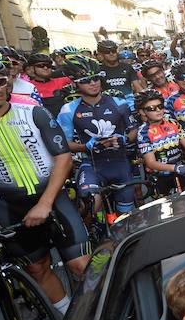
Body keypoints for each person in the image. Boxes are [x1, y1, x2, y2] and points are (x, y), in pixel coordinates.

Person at [0, 52, 88, 315]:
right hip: (8, 204)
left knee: (82, 265)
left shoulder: (34, 111)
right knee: (37, 268)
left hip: (52, 196)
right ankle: (71, 319)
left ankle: (100, 313)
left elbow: (63, 157)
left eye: (1, 80)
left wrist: (45, 203)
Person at [57, 55, 137, 214]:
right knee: (90, 204)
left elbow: (134, 130)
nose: (93, 83)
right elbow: (64, 144)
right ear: (75, 83)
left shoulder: (120, 103)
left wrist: (125, 138)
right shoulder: (68, 110)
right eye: (86, 80)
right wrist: (85, 146)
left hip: (120, 163)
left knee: (125, 215)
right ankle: (92, 235)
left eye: (95, 78)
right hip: (92, 164)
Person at [135, 89, 185, 197]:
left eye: (160, 106)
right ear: (142, 112)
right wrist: (175, 168)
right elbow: (151, 163)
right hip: (161, 177)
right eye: (152, 108)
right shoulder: (143, 132)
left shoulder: (173, 123)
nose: (158, 110)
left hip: (182, 172)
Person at [27, 52, 70, 116]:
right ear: (32, 68)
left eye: (48, 65)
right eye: (41, 65)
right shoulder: (27, 87)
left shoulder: (63, 81)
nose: (45, 68)